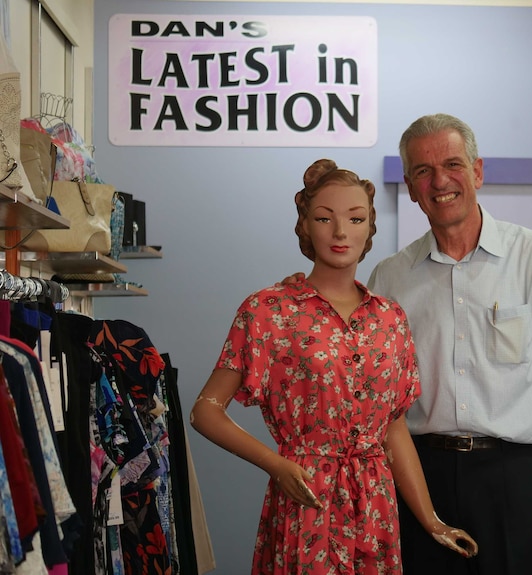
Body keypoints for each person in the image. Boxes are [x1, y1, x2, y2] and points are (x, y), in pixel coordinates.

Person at [190, 158, 478, 575]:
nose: (341, 232)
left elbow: (392, 427)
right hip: (306, 496)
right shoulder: (269, 311)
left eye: (355, 219)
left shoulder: (389, 319)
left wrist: (431, 519)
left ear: (369, 228)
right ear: (305, 225)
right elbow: (205, 411)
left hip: (375, 506)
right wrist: (277, 464)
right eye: (325, 218)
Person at [367, 113, 532, 574]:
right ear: (410, 187)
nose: (440, 181)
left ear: (477, 171)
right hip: (419, 477)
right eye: (423, 171)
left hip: (516, 479)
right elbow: (377, 400)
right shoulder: (389, 278)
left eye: (452, 164)